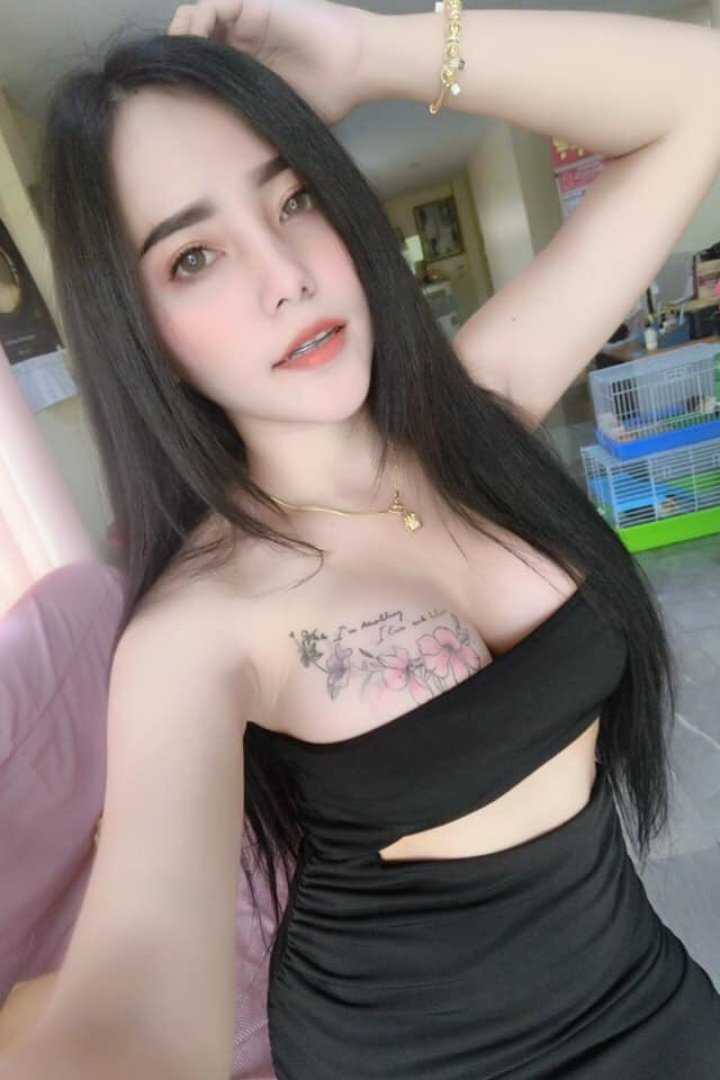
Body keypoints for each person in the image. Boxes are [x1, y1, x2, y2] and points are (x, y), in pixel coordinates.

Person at [5, 0, 720, 1076]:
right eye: (194, 257)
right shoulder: (196, 631)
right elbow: (139, 1018)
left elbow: (700, 92)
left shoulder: (479, 411)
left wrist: (373, 52)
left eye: (293, 197)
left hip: (643, 990)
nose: (286, 275)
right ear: (138, 330)